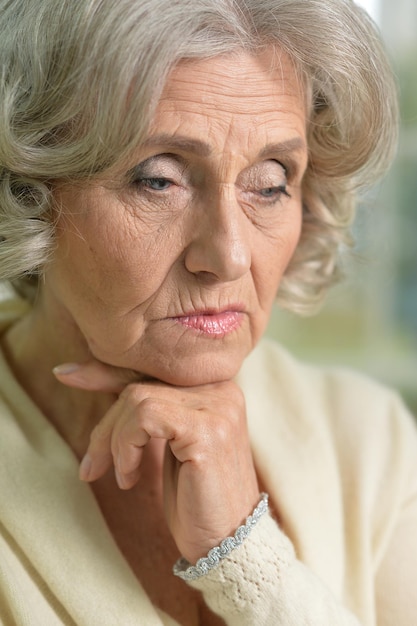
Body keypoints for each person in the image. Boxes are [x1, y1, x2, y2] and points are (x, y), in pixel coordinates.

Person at [0, 0, 416, 624]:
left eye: (271, 182)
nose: (228, 255)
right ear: (31, 187)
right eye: (158, 179)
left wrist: (245, 561)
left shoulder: (367, 440)